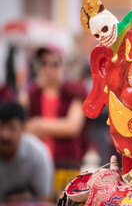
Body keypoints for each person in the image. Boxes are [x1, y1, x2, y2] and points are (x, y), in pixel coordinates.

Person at [25, 46, 88, 197]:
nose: (49, 69)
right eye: (44, 63)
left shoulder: (73, 92)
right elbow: (23, 128)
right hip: (38, 167)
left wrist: (39, 124)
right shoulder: (32, 93)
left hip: (66, 166)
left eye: (54, 64)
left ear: (62, 66)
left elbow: (72, 127)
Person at [0, 101, 53, 203]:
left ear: (23, 129)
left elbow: (44, 199)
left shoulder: (38, 154)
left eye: (12, 128)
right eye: (1, 126)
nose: (4, 135)